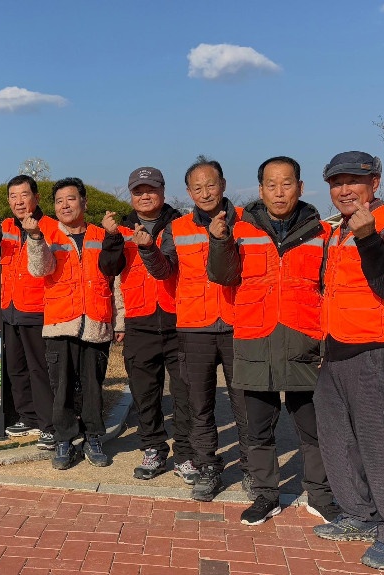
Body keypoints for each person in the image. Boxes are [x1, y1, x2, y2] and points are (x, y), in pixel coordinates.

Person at [207, 156, 338, 525]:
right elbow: (222, 276)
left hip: (305, 343)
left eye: (287, 183)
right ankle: (266, 496)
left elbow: (331, 290)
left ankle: (320, 495)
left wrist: (329, 344)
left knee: (314, 429)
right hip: (255, 342)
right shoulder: (239, 228)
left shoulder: (321, 233)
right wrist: (219, 242)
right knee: (257, 431)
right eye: (271, 184)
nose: (279, 192)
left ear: (300, 186)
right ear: (260, 189)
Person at [312, 151, 384, 571]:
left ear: (374, 183)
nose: (344, 190)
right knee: (336, 436)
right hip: (339, 348)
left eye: (353, 181)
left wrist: (369, 239)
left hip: (378, 349)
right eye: (336, 182)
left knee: (379, 444)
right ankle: (359, 514)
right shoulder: (338, 230)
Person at [141, 156, 253, 502]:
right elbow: (164, 271)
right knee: (199, 403)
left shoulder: (248, 222)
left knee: (246, 404)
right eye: (197, 187)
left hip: (238, 323)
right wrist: (147, 250)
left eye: (211, 184)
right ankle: (208, 467)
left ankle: (252, 469)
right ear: (188, 192)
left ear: (223, 185)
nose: (205, 192)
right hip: (193, 327)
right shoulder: (179, 227)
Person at [99, 167, 197, 482]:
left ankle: (185, 453)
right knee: (145, 391)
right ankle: (153, 448)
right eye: (138, 190)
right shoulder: (121, 228)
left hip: (178, 318)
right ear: (131, 195)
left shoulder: (182, 224)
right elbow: (108, 268)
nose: (145, 195)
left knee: (185, 392)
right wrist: (113, 238)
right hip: (139, 320)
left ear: (163, 192)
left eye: (151, 189)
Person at [26, 177, 115, 470]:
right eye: (59, 201)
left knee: (93, 387)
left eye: (71, 199)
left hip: (96, 323)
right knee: (61, 387)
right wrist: (36, 239)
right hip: (60, 324)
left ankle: (93, 437)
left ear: (84, 202)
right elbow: (39, 269)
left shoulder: (103, 236)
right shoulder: (48, 234)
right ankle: (64, 439)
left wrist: (122, 320)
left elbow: (118, 281)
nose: (65, 205)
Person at [0, 174, 58, 449]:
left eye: (24, 195)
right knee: (16, 368)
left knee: (39, 369)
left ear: (37, 197)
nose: (19, 202)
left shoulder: (51, 227)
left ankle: (49, 425)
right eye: (13, 196)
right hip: (9, 308)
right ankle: (28, 417)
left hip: (37, 309)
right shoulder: (7, 226)